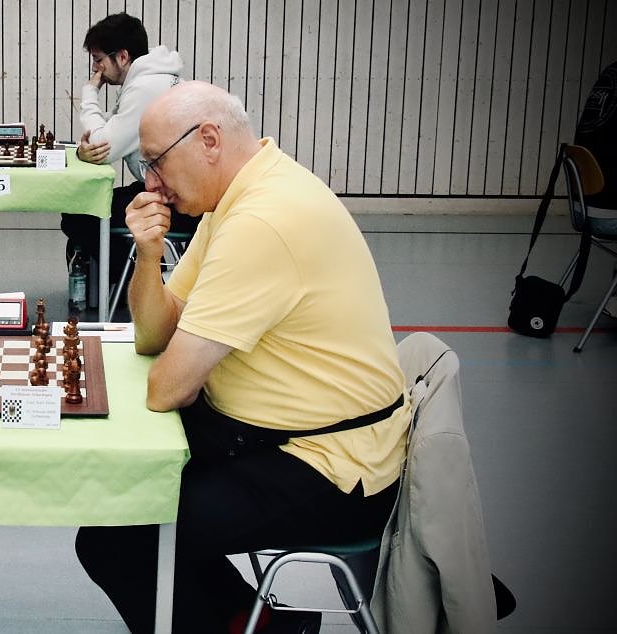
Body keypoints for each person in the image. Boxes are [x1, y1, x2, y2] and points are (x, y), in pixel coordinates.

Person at [74, 81, 412, 632]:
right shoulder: (238, 196)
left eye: (155, 162)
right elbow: (154, 337)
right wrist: (149, 253)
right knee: (120, 499)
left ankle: (263, 626)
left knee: (119, 535)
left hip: (329, 468)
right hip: (274, 433)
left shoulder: (263, 220)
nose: (149, 182)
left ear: (208, 139)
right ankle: (268, 625)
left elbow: (168, 387)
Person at [60, 13, 195, 291]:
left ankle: (138, 286)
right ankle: (132, 282)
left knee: (80, 212)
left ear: (122, 56)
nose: (95, 68)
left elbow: (102, 146)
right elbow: (109, 129)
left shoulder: (145, 88)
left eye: (98, 59)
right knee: (92, 204)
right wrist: (89, 146)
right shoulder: (152, 80)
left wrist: (89, 93)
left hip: (177, 205)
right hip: (175, 192)